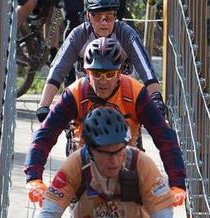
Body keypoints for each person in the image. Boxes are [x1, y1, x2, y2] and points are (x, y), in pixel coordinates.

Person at [24, 37, 186, 206]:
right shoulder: (74, 93)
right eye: (96, 73)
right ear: (86, 72)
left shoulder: (135, 92)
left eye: (110, 74)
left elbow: (165, 137)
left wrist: (177, 184)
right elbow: (45, 135)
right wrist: (34, 178)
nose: (103, 81)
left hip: (126, 169)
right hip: (84, 171)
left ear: (120, 72)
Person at [36, 0, 165, 121]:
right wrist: (44, 104)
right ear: (88, 16)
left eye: (109, 16)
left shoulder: (126, 34)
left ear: (116, 16)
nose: (104, 22)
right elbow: (58, 69)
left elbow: (146, 69)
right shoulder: (78, 35)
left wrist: (156, 98)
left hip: (123, 97)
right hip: (86, 97)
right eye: (97, 16)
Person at [34, 107, 185, 217]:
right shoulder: (77, 163)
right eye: (106, 153)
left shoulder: (141, 164)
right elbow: (49, 212)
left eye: (119, 151)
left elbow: (163, 214)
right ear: (90, 149)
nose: (114, 160)